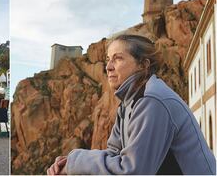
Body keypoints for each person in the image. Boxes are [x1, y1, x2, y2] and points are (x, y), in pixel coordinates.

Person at [47, 34, 216, 175]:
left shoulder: (152, 100)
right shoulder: (129, 102)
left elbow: (132, 171)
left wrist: (77, 161)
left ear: (143, 65)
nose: (108, 67)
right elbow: (114, 154)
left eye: (117, 58)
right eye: (108, 59)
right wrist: (69, 162)